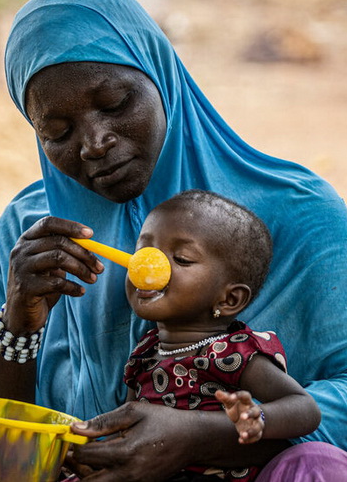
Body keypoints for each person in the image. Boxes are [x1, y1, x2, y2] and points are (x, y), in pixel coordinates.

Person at [0, 0, 347, 481]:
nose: (94, 143)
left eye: (115, 105)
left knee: (317, 467)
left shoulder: (295, 210)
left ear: (163, 78)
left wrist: (201, 436)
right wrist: (18, 324)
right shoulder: (33, 234)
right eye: (58, 132)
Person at [65, 189, 321, 482]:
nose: (148, 266)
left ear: (229, 299)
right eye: (143, 253)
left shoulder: (233, 352)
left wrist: (257, 419)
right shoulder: (145, 352)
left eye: (182, 259)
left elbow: (305, 408)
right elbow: (131, 422)